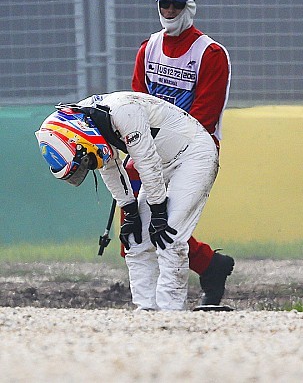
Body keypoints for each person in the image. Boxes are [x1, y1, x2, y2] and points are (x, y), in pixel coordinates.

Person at [35, 92, 219, 310]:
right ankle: (146, 309)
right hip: (162, 162)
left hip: (194, 154)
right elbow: (108, 166)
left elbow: (146, 160)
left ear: (78, 138)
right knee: (135, 239)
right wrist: (129, 210)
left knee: (169, 235)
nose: (90, 165)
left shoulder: (124, 111)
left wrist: (158, 209)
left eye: (85, 161)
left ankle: (171, 312)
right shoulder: (87, 121)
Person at [127, 0, 234, 306]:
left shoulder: (211, 54)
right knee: (134, 231)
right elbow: (137, 104)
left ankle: (170, 312)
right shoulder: (148, 49)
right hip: (150, 150)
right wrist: (137, 150)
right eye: (164, 4)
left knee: (168, 229)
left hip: (193, 153)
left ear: (190, 8)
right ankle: (206, 267)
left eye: (176, 4)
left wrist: (150, 145)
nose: (169, 10)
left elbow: (204, 118)